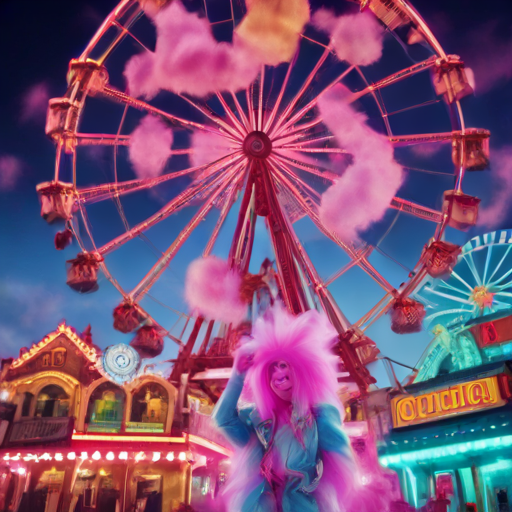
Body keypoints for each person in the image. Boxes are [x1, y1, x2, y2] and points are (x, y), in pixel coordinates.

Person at [213, 305, 387, 512]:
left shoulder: (320, 415)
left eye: (284, 365)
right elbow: (223, 420)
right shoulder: (257, 419)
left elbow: (342, 469)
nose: (278, 374)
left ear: (301, 370)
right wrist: (237, 376)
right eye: (272, 368)